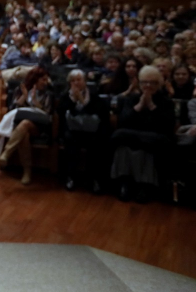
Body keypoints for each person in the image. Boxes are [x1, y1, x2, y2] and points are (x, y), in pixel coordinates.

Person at [111, 65, 176, 203]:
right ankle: (125, 183)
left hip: (154, 138)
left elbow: (165, 126)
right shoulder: (131, 99)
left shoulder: (166, 102)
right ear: (139, 83)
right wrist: (139, 106)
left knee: (148, 144)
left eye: (152, 83)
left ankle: (145, 186)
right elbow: (123, 122)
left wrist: (151, 106)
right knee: (122, 141)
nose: (148, 86)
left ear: (159, 84)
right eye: (144, 82)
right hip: (134, 136)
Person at [57, 69, 112, 193]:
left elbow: (100, 114)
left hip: (92, 131)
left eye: (79, 80)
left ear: (85, 81)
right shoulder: (65, 96)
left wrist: (82, 101)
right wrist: (73, 101)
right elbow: (61, 113)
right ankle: (70, 177)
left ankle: (94, 179)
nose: (76, 83)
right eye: (73, 80)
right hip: (73, 131)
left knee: (97, 143)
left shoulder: (94, 96)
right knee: (69, 140)